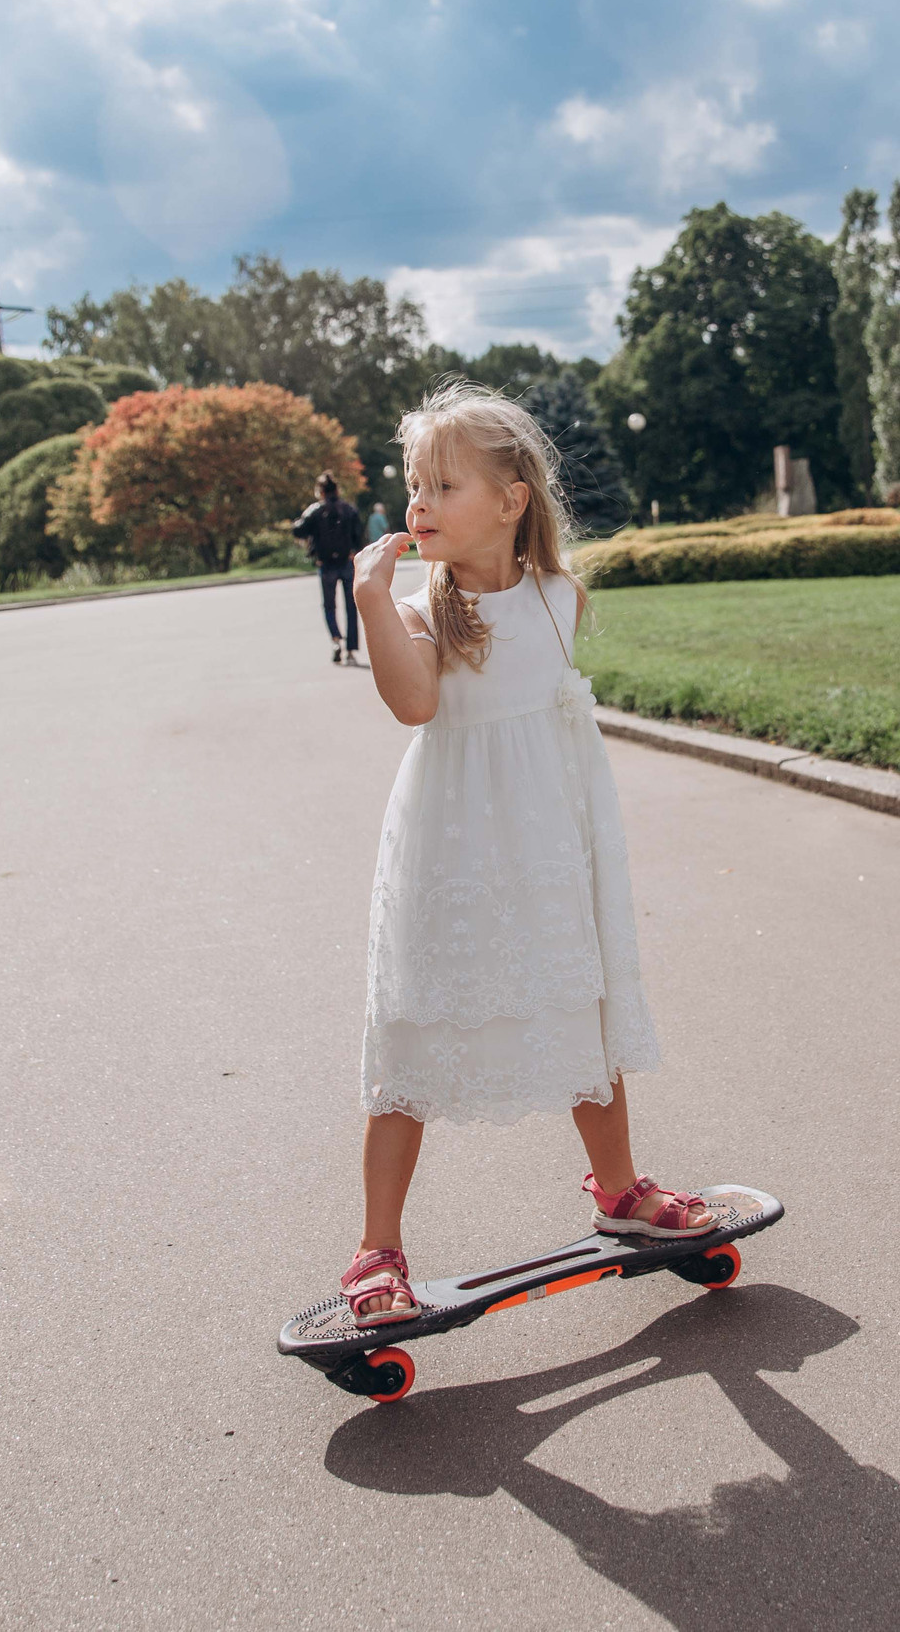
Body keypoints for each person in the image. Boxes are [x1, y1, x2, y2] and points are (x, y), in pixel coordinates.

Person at [338, 382, 713, 1328]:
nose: (416, 502)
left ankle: (619, 1190)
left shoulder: (558, 598)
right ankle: (378, 1246)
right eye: (413, 484)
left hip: (546, 845)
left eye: (443, 485)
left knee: (578, 1002)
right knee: (416, 1026)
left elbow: (560, 732)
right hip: (451, 852)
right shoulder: (428, 611)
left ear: (511, 500)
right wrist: (372, 599)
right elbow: (414, 705)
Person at [290, 471, 366, 666]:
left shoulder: (315, 511)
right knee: (351, 607)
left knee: (329, 606)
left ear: (320, 491)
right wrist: (353, 551)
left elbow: (298, 529)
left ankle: (335, 640)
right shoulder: (349, 510)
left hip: (326, 565)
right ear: (337, 489)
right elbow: (359, 535)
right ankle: (350, 649)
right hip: (347, 563)